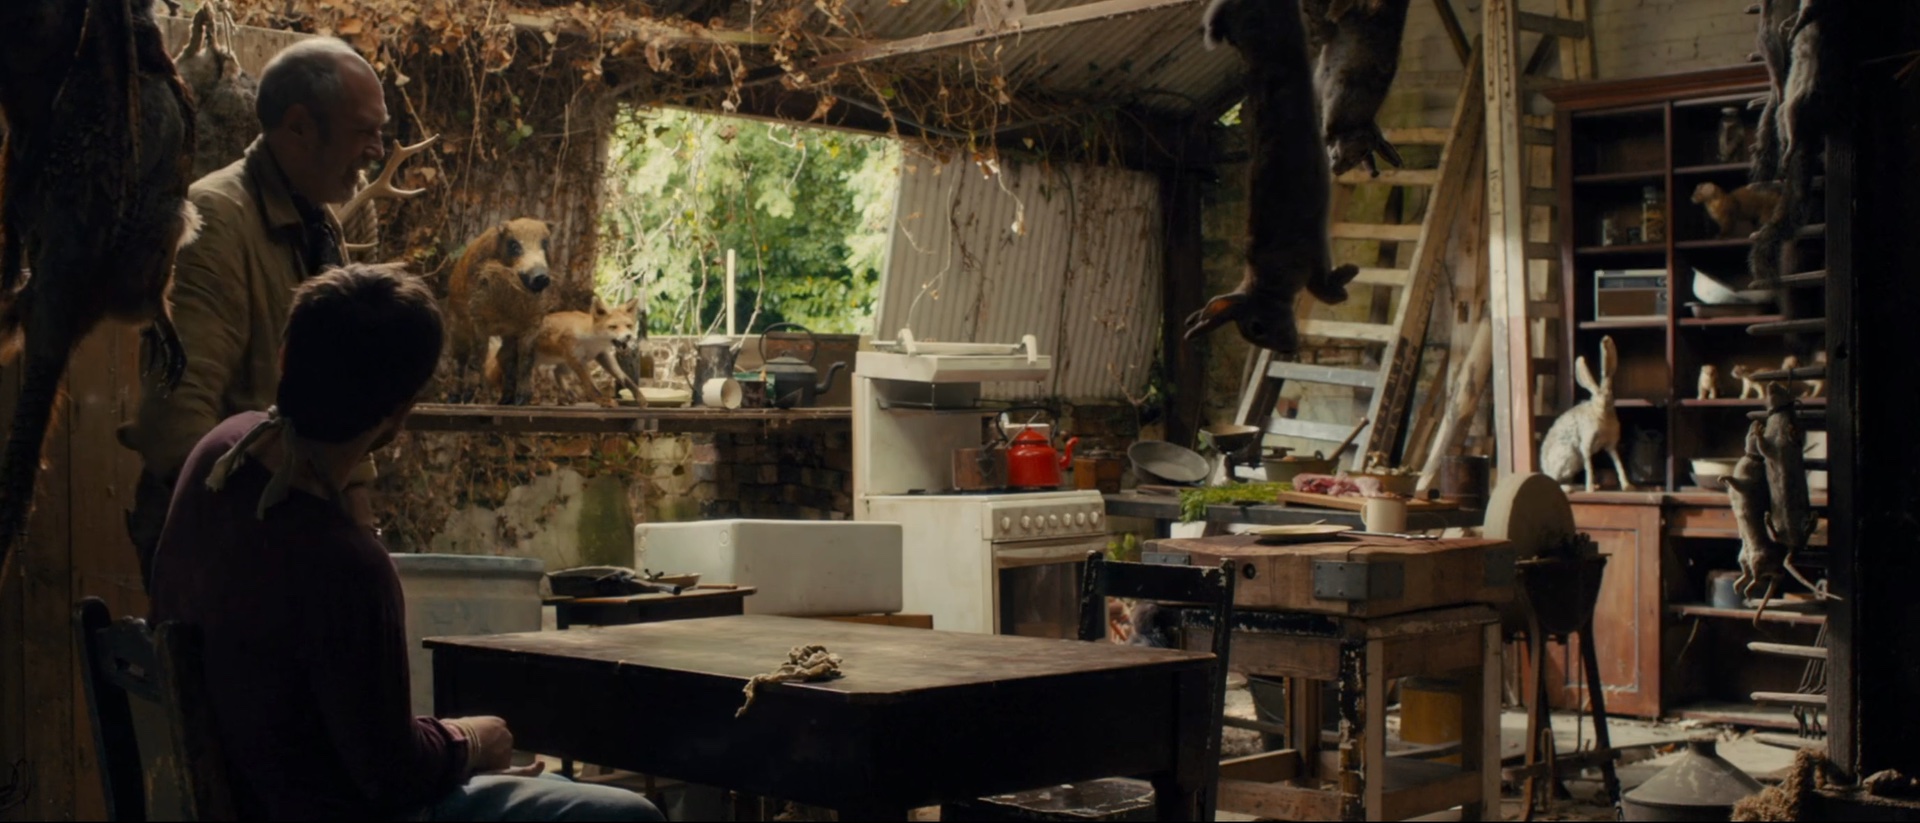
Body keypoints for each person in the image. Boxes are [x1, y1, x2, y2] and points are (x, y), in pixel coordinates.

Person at [148, 264, 663, 822]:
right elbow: (392, 773)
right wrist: (471, 740)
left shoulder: (221, 451)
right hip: (315, 807)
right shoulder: (344, 564)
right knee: (626, 814)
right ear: (402, 413)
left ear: (284, 357)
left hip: (246, 779)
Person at [122, 36, 389, 592]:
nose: (377, 150)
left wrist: (360, 528)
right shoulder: (216, 219)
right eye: (364, 131)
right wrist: (262, 544)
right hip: (227, 551)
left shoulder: (317, 223)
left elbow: (339, 393)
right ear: (299, 127)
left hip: (291, 534)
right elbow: (178, 422)